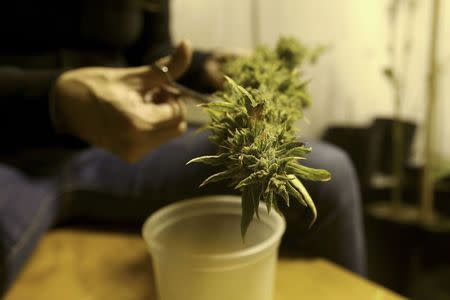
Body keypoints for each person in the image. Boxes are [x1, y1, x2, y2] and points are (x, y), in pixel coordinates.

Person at [0, 0, 366, 295]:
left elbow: (152, 52)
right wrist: (53, 100)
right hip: (12, 150)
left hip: (115, 147)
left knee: (331, 174)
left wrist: (207, 67)